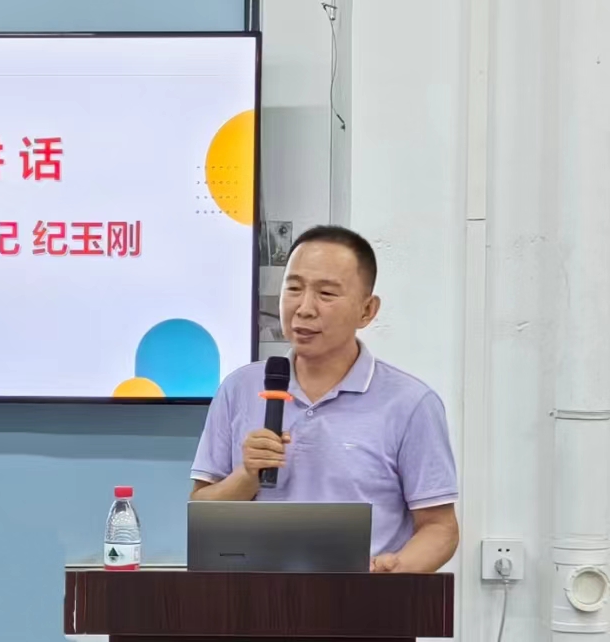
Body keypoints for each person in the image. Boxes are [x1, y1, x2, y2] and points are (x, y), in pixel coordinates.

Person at [190, 225, 459, 573]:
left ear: (367, 310)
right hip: (255, 599)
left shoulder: (411, 403)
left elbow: (440, 527)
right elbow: (201, 513)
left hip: (363, 598)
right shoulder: (239, 388)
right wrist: (247, 475)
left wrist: (396, 571)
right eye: (293, 288)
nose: (304, 308)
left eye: (326, 294)